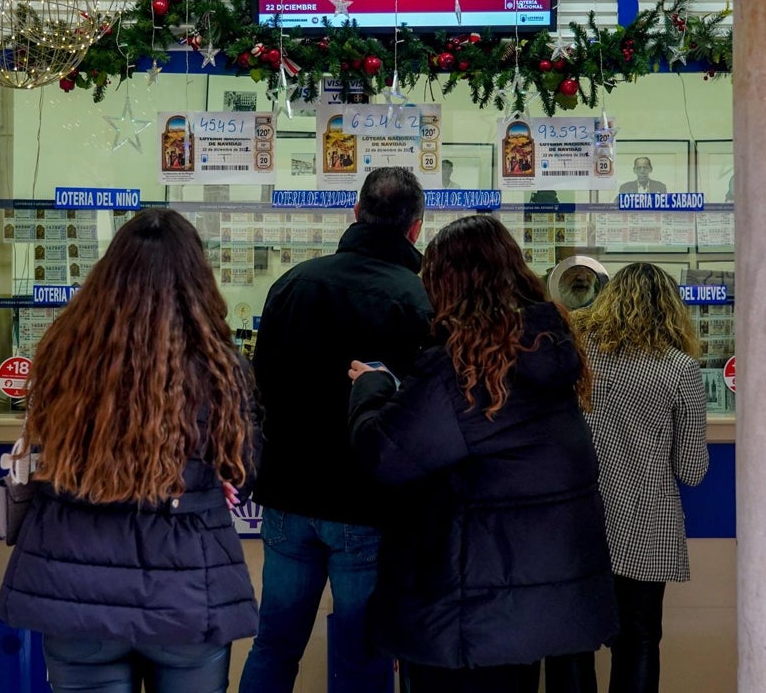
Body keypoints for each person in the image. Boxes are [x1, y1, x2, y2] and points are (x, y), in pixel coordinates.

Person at [347, 215, 618, 693]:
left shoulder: (459, 371)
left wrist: (371, 389)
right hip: (529, 605)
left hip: (469, 611)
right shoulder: (544, 351)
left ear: (446, 284)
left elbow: (384, 455)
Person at [0, 208, 259, 693]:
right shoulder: (220, 365)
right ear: (196, 278)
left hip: (77, 590)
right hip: (184, 588)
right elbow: (245, 467)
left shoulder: (64, 355)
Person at [239, 167, 432, 693]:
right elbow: (419, 413)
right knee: (364, 655)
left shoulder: (294, 283)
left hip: (288, 496)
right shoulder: (416, 298)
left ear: (355, 213)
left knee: (273, 645)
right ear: (415, 228)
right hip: (366, 505)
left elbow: (261, 388)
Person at [573, 262, 709, 693]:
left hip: (579, 522)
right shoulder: (679, 370)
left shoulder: (580, 355)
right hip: (646, 526)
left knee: (571, 642)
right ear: (672, 310)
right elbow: (692, 471)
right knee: (639, 638)